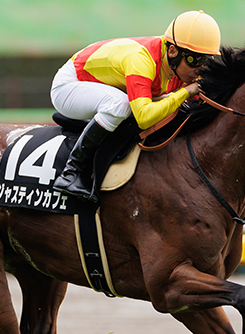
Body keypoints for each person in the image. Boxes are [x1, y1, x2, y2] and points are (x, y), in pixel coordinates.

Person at [50, 10, 221, 203]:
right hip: (69, 86)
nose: (200, 69)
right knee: (121, 105)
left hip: (104, 87)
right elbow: (144, 117)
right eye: (195, 60)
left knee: (168, 103)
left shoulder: (176, 65)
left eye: (207, 61)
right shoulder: (141, 60)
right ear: (172, 51)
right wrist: (185, 92)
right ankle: (71, 172)